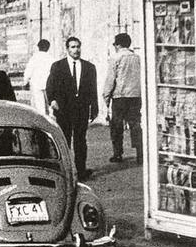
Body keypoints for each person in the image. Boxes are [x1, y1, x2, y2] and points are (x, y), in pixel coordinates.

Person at [44, 36, 99, 177]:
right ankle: (66, 171)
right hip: (63, 109)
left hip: (82, 108)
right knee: (65, 139)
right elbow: (50, 85)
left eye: (78, 46)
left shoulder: (89, 67)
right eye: (73, 47)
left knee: (80, 140)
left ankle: (81, 170)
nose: (76, 50)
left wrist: (94, 107)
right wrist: (52, 101)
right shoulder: (58, 66)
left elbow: (93, 89)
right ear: (67, 49)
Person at [103, 32, 143, 163]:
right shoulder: (137, 58)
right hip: (135, 96)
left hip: (120, 96)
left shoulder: (115, 58)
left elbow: (111, 79)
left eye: (115, 44)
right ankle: (140, 153)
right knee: (135, 124)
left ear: (118, 45)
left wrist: (106, 96)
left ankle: (118, 153)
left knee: (117, 126)